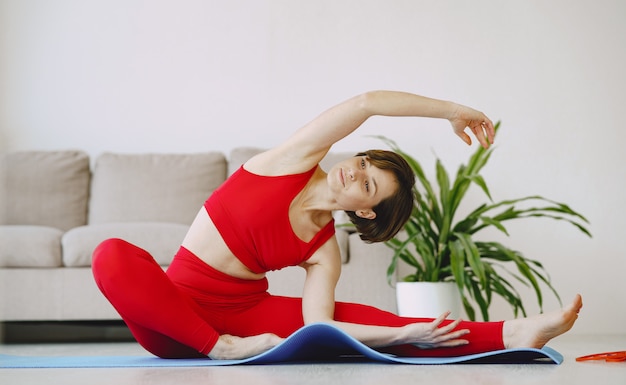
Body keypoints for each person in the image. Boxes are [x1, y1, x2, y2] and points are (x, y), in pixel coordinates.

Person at [92, 90, 582, 360]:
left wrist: (401, 335)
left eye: (368, 185)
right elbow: (366, 103)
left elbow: (320, 327)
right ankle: (217, 348)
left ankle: (510, 334)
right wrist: (453, 111)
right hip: (172, 316)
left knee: (371, 318)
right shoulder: (289, 161)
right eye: (365, 162)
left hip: (244, 316)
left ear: (364, 212)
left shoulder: (323, 249)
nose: (356, 170)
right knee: (110, 253)